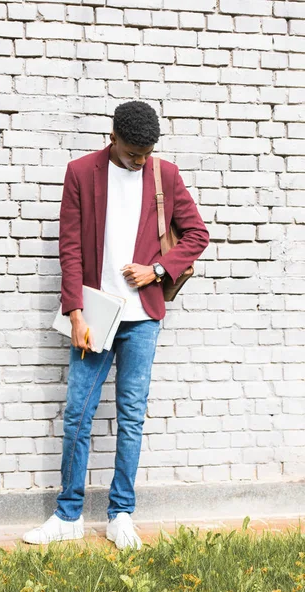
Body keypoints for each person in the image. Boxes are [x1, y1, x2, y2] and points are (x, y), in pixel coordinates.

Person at [23, 101, 210, 549]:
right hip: (96, 315)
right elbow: (69, 248)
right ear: (113, 137)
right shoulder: (81, 172)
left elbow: (197, 234)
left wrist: (158, 270)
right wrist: (75, 313)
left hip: (142, 318)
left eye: (147, 152)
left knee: (130, 417)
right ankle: (68, 515)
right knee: (77, 416)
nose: (140, 160)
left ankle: (121, 513)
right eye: (133, 152)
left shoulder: (165, 175)